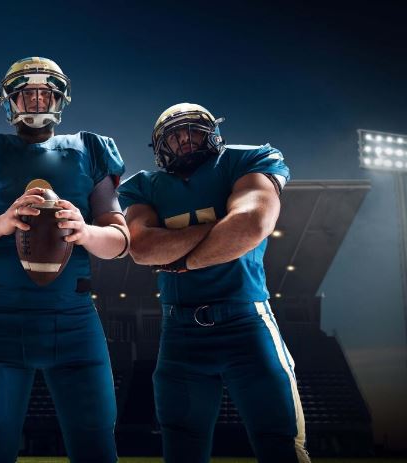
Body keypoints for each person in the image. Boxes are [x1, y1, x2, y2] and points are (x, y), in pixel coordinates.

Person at [0, 57, 129, 463]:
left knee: (97, 447)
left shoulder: (91, 149)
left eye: (45, 92)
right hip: (3, 319)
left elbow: (118, 241)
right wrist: (3, 222)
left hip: (75, 320)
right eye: (27, 93)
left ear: (60, 98)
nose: (37, 100)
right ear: (10, 100)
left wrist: (86, 231)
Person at [118, 102, 309, 463]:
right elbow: (142, 248)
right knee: (182, 448)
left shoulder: (248, 160)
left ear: (214, 134)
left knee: (280, 442)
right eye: (175, 135)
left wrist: (185, 260)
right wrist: (221, 230)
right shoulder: (143, 186)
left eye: (194, 131)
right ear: (160, 147)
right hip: (180, 331)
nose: (186, 140)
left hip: (246, 321)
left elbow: (252, 223)